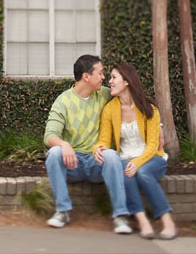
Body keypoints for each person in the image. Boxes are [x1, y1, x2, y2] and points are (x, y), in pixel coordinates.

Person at [43, 54, 132, 233]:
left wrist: (158, 124)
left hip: (96, 161)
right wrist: (64, 145)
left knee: (112, 155)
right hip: (73, 163)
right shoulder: (63, 101)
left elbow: (132, 98)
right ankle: (63, 210)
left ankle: (120, 216)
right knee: (53, 153)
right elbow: (49, 136)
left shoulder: (104, 94)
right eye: (100, 73)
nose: (104, 77)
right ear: (86, 76)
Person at [94, 63, 177, 240]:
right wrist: (98, 147)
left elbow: (153, 145)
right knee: (126, 173)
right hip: (125, 158)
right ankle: (142, 221)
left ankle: (167, 221)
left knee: (143, 173)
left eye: (114, 77)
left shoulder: (149, 108)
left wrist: (137, 162)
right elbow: (103, 139)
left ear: (127, 82)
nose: (110, 81)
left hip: (152, 158)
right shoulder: (110, 109)